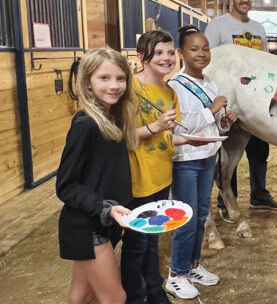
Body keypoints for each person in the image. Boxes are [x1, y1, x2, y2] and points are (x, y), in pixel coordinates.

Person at [121, 30, 198, 304]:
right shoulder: (130, 89)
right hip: (139, 178)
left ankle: (153, 291)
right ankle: (133, 295)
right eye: (159, 53)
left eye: (170, 52)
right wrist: (154, 126)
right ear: (142, 57)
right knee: (137, 244)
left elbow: (167, 135)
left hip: (162, 176)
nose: (166, 58)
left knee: (152, 240)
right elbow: (124, 135)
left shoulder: (168, 91)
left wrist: (187, 139)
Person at [57, 48, 138, 304]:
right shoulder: (86, 125)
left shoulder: (112, 119)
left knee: (82, 295)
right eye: (104, 78)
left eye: (120, 78)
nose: (114, 85)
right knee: (115, 297)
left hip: (105, 221)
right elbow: (66, 185)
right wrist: (104, 207)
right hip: (87, 226)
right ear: (88, 82)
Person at [165, 26, 238, 299]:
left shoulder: (210, 83)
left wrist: (224, 121)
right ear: (181, 53)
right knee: (186, 219)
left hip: (207, 156)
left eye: (205, 49)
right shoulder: (175, 86)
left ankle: (192, 265)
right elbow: (180, 129)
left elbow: (211, 126)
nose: (201, 54)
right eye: (194, 49)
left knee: (200, 217)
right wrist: (212, 110)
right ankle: (176, 275)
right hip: (185, 161)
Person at [204, 0, 277, 213]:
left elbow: (264, 64)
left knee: (259, 151)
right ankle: (225, 200)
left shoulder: (258, 29)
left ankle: (259, 194)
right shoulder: (218, 25)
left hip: (254, 98)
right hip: (228, 98)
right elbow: (209, 62)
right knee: (225, 148)